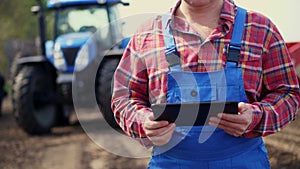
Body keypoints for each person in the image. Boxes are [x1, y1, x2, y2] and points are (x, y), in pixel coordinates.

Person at [111, 0, 300, 168]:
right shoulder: (147, 35)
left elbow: (288, 94)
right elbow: (124, 98)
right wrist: (144, 122)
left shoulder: (260, 29)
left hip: (244, 161)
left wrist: (255, 117)